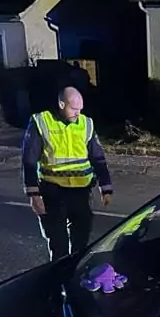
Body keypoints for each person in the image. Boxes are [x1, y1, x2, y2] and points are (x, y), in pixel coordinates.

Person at [21, 86, 114, 261]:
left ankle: (74, 276)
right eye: (74, 109)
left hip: (81, 191)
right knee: (58, 244)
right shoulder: (42, 122)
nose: (78, 114)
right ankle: (57, 281)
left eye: (80, 109)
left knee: (81, 241)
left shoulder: (86, 123)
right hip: (53, 191)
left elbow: (98, 157)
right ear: (61, 104)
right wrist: (34, 195)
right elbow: (29, 160)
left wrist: (106, 187)